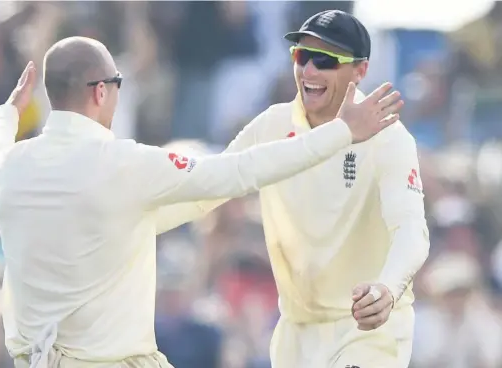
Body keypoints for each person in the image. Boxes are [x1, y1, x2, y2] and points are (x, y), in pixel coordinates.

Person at [0, 36, 402, 368]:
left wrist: (9, 111)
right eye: (119, 84)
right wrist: (341, 133)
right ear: (101, 92)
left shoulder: (10, 167)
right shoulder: (124, 164)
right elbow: (239, 171)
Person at [155, 10, 430, 368]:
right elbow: (207, 190)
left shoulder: (389, 137)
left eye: (325, 60)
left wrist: (388, 289)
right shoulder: (271, 124)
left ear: (360, 70)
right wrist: (132, 223)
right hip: (296, 334)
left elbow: (411, 231)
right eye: (301, 56)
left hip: (368, 330)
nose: (309, 72)